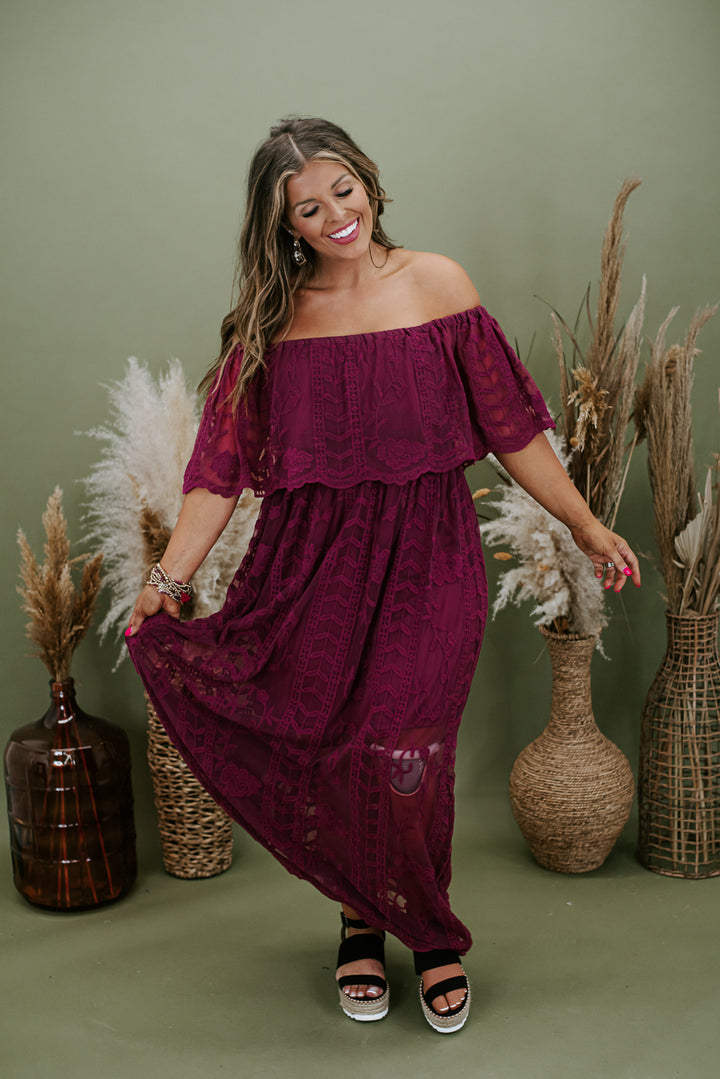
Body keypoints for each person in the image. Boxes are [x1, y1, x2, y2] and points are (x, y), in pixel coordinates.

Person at [125, 116, 641, 1034]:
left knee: (409, 751)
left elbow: (514, 430)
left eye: (344, 190)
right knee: (343, 750)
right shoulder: (272, 323)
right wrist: (166, 581)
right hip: (308, 572)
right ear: (284, 226)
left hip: (429, 558)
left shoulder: (439, 286)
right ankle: (362, 919)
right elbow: (218, 473)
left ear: (369, 181)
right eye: (308, 208)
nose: (335, 216)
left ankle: (429, 933)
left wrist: (586, 523)